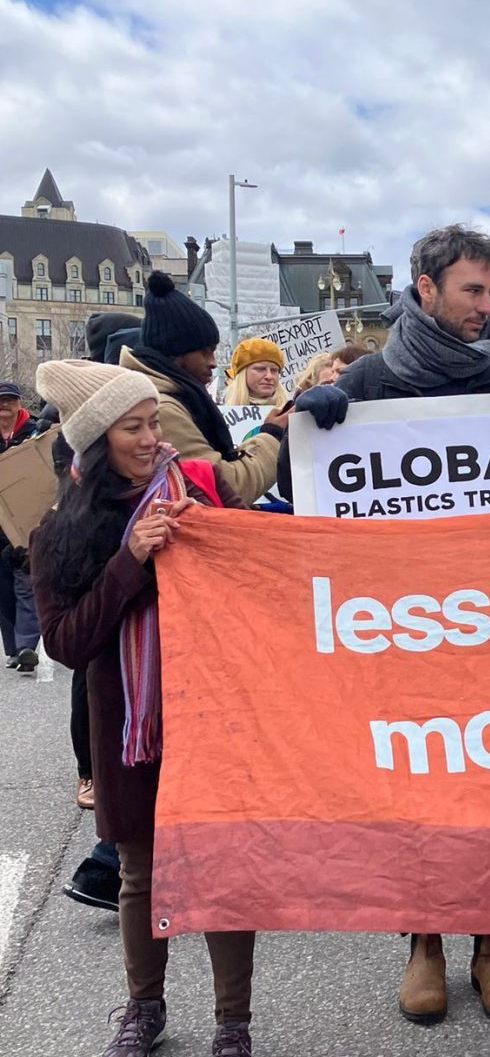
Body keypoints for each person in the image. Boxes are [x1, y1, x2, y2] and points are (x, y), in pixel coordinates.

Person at [280, 223, 490, 1028]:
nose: (486, 307)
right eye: (471, 291)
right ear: (426, 289)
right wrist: (303, 430)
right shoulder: (371, 381)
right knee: (418, 787)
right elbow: (305, 494)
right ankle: (424, 938)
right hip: (406, 628)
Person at [30, 358, 256, 1057]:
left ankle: (233, 1024)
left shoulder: (198, 494)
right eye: (133, 427)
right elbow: (68, 643)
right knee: (138, 873)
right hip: (128, 724)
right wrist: (129, 560)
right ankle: (144, 1008)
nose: (153, 438)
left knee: (221, 872)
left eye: (154, 422)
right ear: (96, 441)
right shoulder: (57, 533)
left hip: (211, 716)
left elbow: (262, 578)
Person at [120, 272, 285, 505]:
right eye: (206, 352)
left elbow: (218, 470)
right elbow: (225, 487)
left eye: (274, 370)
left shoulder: (169, 399)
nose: (214, 362)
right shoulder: (161, 409)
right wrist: (272, 435)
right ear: (177, 353)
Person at [0, 380, 41, 673]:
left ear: (19, 404)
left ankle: (26, 646)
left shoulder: (36, 431)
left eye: (10, 400)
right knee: (3, 590)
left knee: (25, 581)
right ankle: (14, 649)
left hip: (25, 519)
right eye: (0, 400)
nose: (5, 405)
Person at [221, 338, 288, 407]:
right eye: (260, 369)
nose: (269, 376)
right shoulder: (222, 412)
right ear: (243, 374)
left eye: (274, 370)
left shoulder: (291, 410)